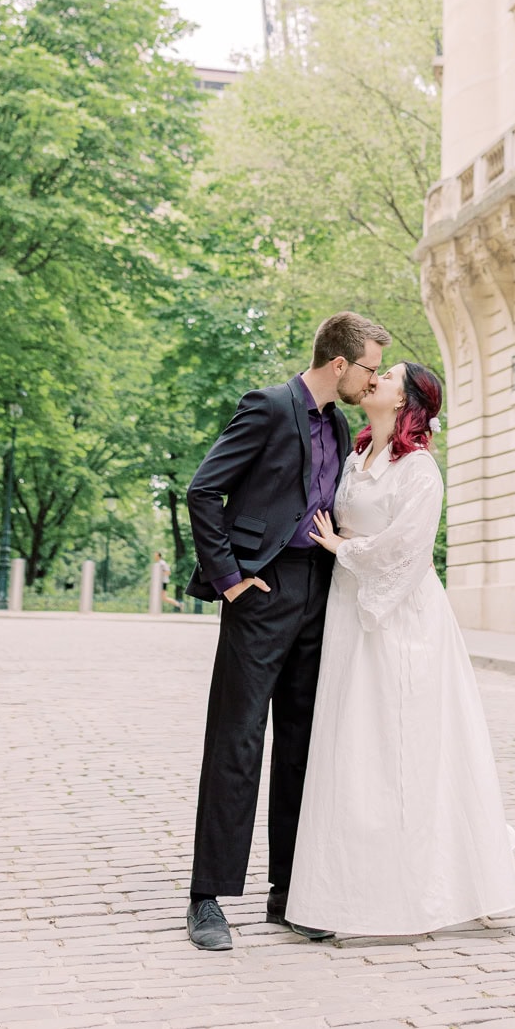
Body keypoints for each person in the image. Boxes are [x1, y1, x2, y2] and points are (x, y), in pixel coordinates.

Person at [285, 361, 515, 940]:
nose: (374, 380)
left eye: (386, 376)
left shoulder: (419, 469)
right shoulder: (354, 457)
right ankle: (343, 888)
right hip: (348, 610)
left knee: (404, 745)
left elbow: (409, 549)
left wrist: (344, 547)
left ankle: (434, 885)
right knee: (352, 746)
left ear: (406, 401)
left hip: (401, 620)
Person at [184, 310, 391, 952]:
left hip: (318, 594)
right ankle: (207, 899)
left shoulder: (337, 425)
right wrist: (231, 579)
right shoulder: (269, 407)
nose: (373, 380)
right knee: (238, 741)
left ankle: (288, 894)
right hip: (262, 593)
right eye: (370, 369)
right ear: (340, 365)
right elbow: (203, 491)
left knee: (303, 745)